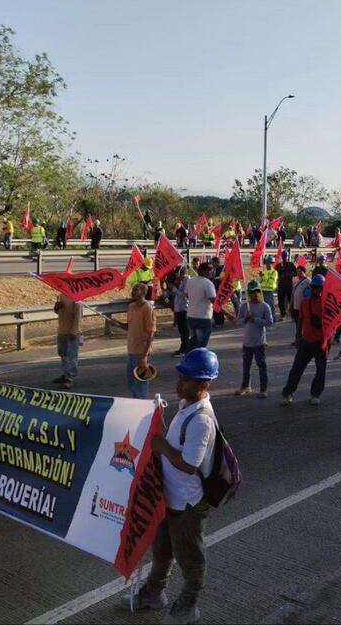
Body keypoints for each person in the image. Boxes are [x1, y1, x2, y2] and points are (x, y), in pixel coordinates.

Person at [123, 348, 218, 623]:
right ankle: (154, 593)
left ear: (203, 385)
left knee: (190, 557)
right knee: (162, 550)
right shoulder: (186, 407)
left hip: (188, 503)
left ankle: (189, 606)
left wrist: (162, 446)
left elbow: (190, 464)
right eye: (180, 377)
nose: (179, 383)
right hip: (170, 497)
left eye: (186, 380)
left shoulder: (201, 420)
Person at [280, 273, 328, 405]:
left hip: (321, 344)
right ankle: (288, 393)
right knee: (296, 369)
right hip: (306, 342)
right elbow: (300, 319)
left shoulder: (326, 304)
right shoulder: (305, 303)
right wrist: (297, 336)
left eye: (318, 287)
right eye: (313, 287)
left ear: (323, 288)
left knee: (321, 371)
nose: (314, 289)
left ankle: (315, 394)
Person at [107, 283, 156, 399]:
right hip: (131, 350)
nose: (133, 292)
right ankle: (135, 403)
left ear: (144, 293)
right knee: (131, 382)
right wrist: (117, 323)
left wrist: (144, 356)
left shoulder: (148, 309)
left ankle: (141, 405)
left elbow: (151, 334)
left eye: (137, 290)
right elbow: (128, 326)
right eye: (133, 289)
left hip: (141, 351)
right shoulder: (131, 307)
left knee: (141, 382)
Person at [52, 293, 82, 388]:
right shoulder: (61, 296)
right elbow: (59, 312)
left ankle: (70, 377)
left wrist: (74, 330)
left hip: (72, 332)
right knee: (62, 353)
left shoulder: (77, 298)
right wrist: (57, 307)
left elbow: (78, 316)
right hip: (61, 330)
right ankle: (65, 374)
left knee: (72, 355)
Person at [186, 263, 216, 350]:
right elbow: (213, 300)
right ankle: (198, 361)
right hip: (203, 317)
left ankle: (190, 360)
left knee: (193, 342)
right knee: (201, 344)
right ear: (203, 271)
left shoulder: (190, 281)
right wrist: (227, 313)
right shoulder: (208, 283)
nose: (211, 272)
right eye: (210, 270)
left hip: (191, 315)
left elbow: (187, 295)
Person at [171, 266, 189, 357]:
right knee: (182, 331)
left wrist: (175, 289)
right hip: (179, 308)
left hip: (184, 308)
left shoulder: (187, 281)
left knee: (185, 331)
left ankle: (185, 350)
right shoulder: (181, 281)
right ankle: (182, 348)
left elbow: (184, 295)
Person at [290, 265, 311, 346]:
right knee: (297, 324)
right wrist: (291, 305)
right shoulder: (296, 281)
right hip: (295, 306)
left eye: (300, 271)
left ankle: (300, 340)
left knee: (301, 324)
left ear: (304, 272)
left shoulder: (308, 281)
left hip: (303, 307)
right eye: (297, 271)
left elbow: (311, 293)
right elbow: (293, 294)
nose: (298, 273)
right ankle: (299, 339)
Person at [276, 249, 296, 319]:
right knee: (280, 301)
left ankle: (293, 315)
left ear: (288, 256)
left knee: (291, 300)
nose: (284, 257)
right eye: (283, 256)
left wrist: (289, 275)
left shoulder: (291, 264)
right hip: (281, 285)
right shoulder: (279, 265)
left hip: (289, 285)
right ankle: (283, 314)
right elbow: (275, 274)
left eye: (286, 256)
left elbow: (296, 273)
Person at [259, 255, 278, 321]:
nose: (267, 264)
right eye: (266, 263)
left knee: (270, 305)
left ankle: (273, 318)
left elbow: (271, 282)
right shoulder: (265, 271)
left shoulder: (274, 272)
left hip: (269, 291)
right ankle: (266, 318)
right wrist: (260, 277)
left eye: (268, 263)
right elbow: (261, 281)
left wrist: (263, 276)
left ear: (272, 263)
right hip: (263, 291)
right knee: (263, 306)